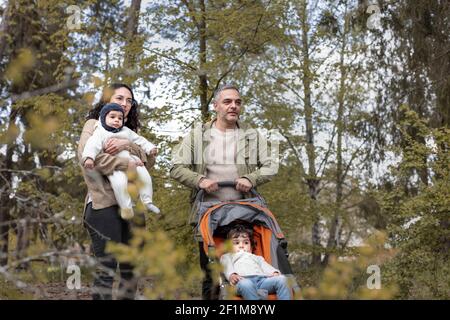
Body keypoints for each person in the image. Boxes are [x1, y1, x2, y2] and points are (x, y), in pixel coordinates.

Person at [170, 84, 277, 299]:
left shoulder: (252, 136)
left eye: (238, 102)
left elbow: (271, 165)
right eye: (227, 102)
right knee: (211, 274)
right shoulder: (197, 135)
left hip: (245, 213)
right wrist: (200, 180)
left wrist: (251, 178)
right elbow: (176, 168)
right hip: (209, 214)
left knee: (251, 271)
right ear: (216, 105)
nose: (233, 106)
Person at [78, 83, 156, 300]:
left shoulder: (126, 131)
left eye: (129, 100)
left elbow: (147, 161)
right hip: (103, 204)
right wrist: (126, 164)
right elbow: (88, 158)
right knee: (107, 270)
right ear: (106, 100)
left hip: (133, 205)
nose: (125, 104)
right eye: (119, 98)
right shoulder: (93, 125)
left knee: (130, 272)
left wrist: (126, 145)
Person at [82, 102, 160, 219]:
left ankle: (147, 201)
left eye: (120, 118)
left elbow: (139, 140)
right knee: (119, 183)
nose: (116, 120)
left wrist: (150, 148)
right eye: (112, 117)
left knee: (145, 177)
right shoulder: (100, 131)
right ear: (103, 118)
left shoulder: (126, 131)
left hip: (132, 159)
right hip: (115, 164)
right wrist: (89, 157)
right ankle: (126, 208)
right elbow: (92, 145)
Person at [220, 225, 292, 300]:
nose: (241, 246)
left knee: (282, 279)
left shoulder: (257, 258)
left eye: (246, 243)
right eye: (236, 243)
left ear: (251, 246)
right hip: (241, 282)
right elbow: (227, 266)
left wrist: (274, 272)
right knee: (246, 284)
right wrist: (232, 275)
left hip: (262, 281)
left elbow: (265, 266)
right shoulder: (227, 256)